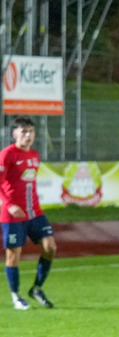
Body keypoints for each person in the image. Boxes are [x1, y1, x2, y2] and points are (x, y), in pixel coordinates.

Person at [0, 116, 56, 310]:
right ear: (14, 134)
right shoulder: (7, 154)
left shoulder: (34, 155)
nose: (28, 135)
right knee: (13, 255)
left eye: (31, 131)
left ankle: (37, 289)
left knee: (50, 247)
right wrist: (8, 205)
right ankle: (16, 297)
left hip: (34, 213)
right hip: (12, 215)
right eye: (24, 131)